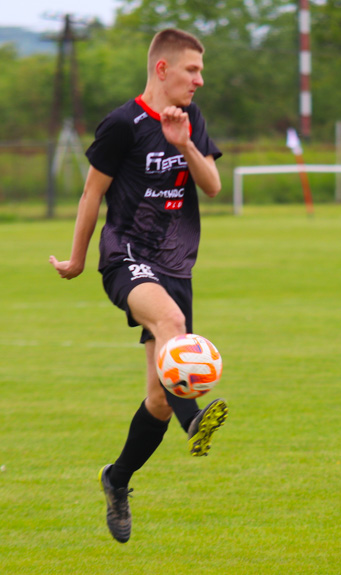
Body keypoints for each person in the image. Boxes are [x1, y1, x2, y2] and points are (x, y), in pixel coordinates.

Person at [48, 28, 228, 544]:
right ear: (163, 69)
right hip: (125, 254)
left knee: (157, 400)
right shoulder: (122, 124)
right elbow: (90, 195)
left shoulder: (190, 119)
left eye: (201, 70)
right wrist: (80, 258)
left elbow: (212, 186)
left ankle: (117, 478)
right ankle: (196, 420)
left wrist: (185, 144)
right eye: (192, 70)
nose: (200, 79)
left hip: (175, 266)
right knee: (171, 325)